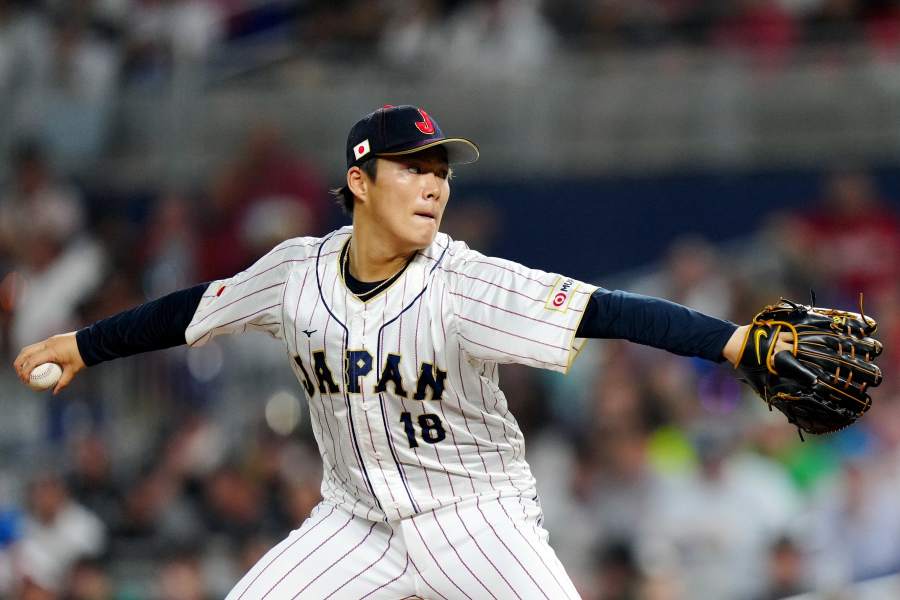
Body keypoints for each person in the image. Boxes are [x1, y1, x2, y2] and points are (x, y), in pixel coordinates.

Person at [14, 105, 783, 598]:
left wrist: (734, 341)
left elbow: (607, 310)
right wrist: (86, 344)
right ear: (359, 180)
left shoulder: (466, 282)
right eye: (413, 168)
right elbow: (193, 311)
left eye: (440, 171)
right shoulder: (295, 273)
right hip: (353, 522)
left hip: (479, 520)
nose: (433, 185)